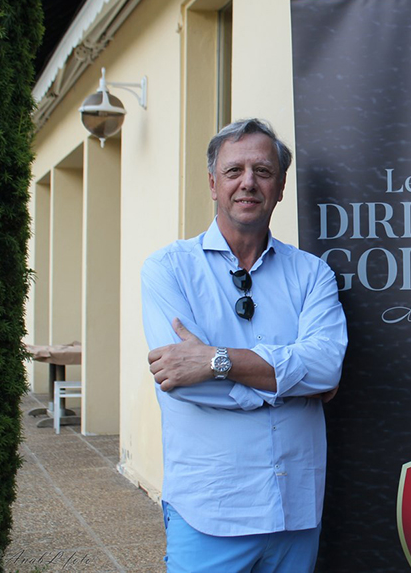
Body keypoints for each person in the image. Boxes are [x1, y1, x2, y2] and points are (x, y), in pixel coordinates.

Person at [141, 118, 347, 572]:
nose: (248, 182)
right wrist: (294, 383)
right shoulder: (167, 270)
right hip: (210, 513)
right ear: (213, 184)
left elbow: (326, 367)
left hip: (295, 512)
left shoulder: (312, 274)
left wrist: (215, 360)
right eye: (234, 171)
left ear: (281, 187)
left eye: (263, 171)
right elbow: (183, 381)